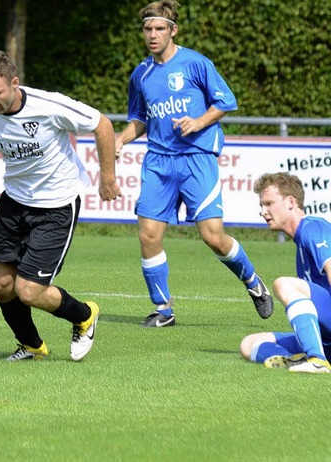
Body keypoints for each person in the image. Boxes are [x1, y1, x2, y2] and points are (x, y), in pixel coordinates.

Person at [0, 50, 121, 361]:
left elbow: (102, 124)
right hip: (14, 202)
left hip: (56, 205)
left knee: (29, 290)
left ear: (14, 83)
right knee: (2, 284)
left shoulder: (49, 105)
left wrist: (107, 177)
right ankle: (32, 346)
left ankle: (84, 315)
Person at [114, 0, 273, 327]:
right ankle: (163, 309)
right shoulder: (141, 73)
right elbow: (139, 119)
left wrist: (199, 122)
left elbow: (226, 101)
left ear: (173, 31)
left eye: (159, 28)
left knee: (213, 237)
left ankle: (253, 282)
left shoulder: (196, 63)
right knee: (148, 235)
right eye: (148, 29)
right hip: (158, 162)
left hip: (197, 159)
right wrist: (119, 140)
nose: (153, 34)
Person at [240, 172, 331, 374]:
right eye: (261, 206)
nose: (263, 212)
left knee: (283, 284)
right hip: (327, 338)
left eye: (269, 203)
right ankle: (297, 359)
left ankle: (317, 360)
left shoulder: (313, 228)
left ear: (291, 201)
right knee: (249, 344)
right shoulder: (301, 241)